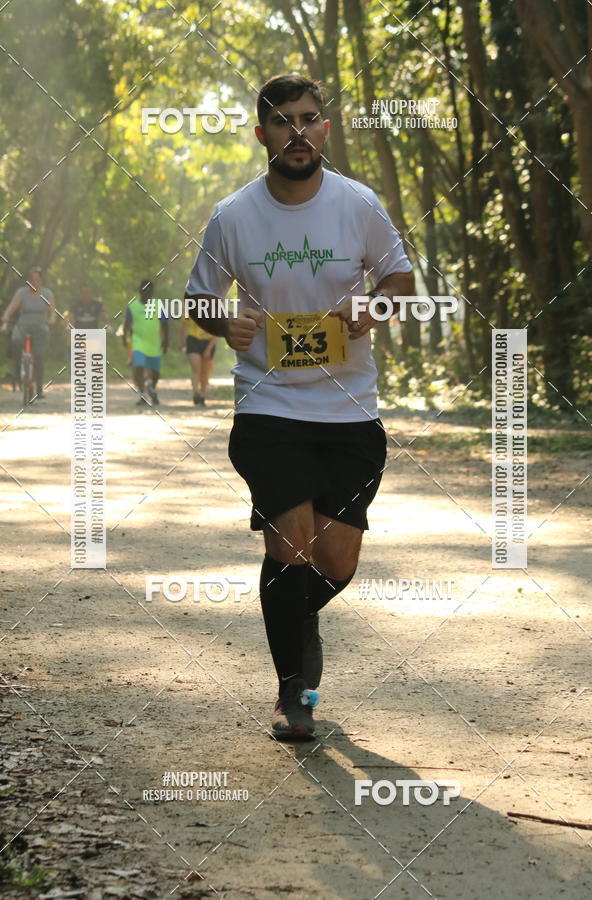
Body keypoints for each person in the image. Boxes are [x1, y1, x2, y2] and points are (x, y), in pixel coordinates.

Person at [184, 73, 414, 741]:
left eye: (309, 119)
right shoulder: (233, 216)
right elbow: (199, 297)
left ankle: (294, 619)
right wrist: (223, 324)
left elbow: (398, 276)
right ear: (262, 134)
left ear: (325, 129)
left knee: (336, 562)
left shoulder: (357, 204)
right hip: (268, 407)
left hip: (349, 411)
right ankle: (295, 694)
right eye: (283, 121)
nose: (298, 132)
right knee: (289, 547)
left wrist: (372, 306)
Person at [1, 266, 56, 399]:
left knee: (39, 355)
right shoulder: (21, 293)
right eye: (31, 280)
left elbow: (52, 311)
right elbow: (12, 308)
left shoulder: (47, 294)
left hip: (40, 327)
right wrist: (5, 321)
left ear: (41, 281)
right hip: (22, 325)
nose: (34, 282)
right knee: (15, 340)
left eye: (37, 280)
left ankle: (39, 388)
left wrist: (52, 319)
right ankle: (17, 367)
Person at [123, 279, 168, 407]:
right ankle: (142, 394)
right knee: (138, 367)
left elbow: (165, 324)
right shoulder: (133, 306)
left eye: (150, 290)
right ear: (140, 291)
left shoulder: (159, 305)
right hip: (138, 342)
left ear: (152, 291)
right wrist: (124, 340)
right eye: (145, 289)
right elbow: (127, 325)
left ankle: (151, 387)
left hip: (154, 343)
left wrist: (166, 341)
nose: (147, 292)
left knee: (155, 372)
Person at [180, 314, 217, 406]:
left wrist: (208, 349)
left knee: (205, 371)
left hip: (208, 341)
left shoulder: (213, 309)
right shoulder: (190, 307)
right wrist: (182, 344)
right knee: (196, 369)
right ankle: (195, 393)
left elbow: (216, 332)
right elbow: (183, 326)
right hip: (193, 340)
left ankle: (202, 395)